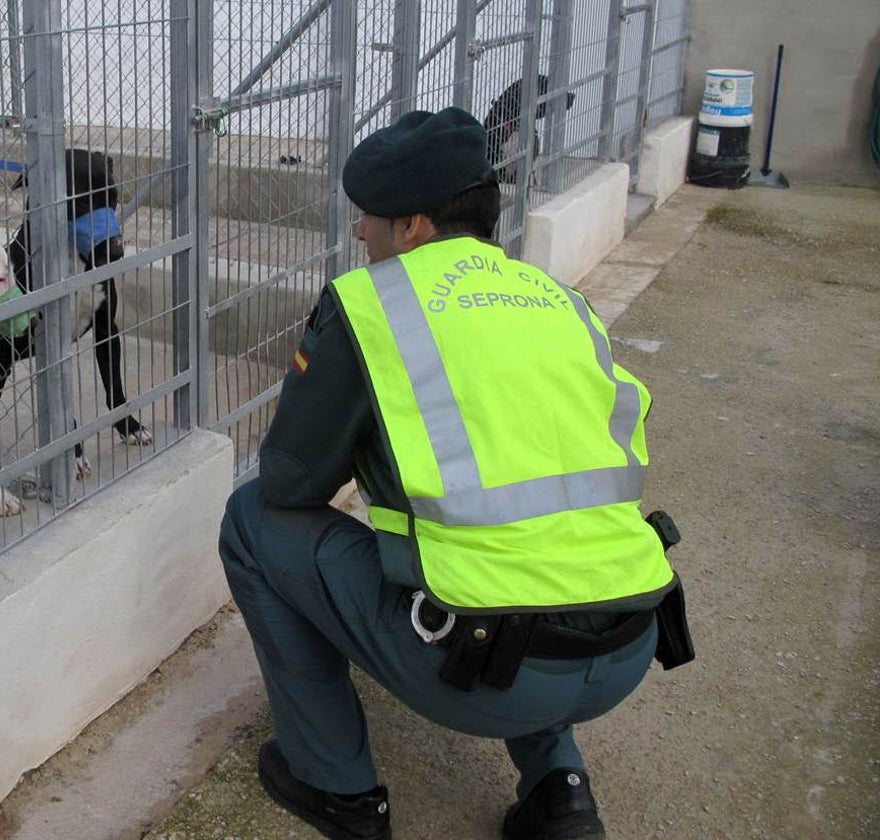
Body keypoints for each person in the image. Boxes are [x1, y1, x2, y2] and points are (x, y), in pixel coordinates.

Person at [218, 106, 688, 840]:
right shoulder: (562, 302)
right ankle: (559, 793)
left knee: (251, 522)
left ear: (411, 227)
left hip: (492, 676)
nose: (357, 232)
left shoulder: (374, 303)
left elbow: (290, 483)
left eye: (366, 217)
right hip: (628, 642)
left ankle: (336, 787)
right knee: (530, 558)